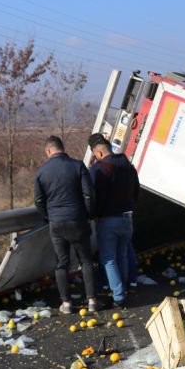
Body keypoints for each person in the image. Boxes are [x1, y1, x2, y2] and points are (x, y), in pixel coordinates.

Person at [33, 136, 99, 314]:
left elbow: (39, 200)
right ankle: (92, 300)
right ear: (63, 148)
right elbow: (88, 193)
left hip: (56, 222)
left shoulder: (41, 172)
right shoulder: (77, 166)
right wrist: (89, 214)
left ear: (48, 151)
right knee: (85, 260)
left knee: (62, 263)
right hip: (78, 220)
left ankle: (67, 303)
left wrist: (48, 216)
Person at [88, 134, 140, 306]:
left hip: (108, 220)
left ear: (100, 153)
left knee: (109, 259)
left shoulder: (101, 169)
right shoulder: (129, 167)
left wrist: (94, 214)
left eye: (95, 155)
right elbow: (136, 192)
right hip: (127, 218)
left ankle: (118, 296)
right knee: (122, 255)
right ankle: (122, 289)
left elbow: (95, 197)